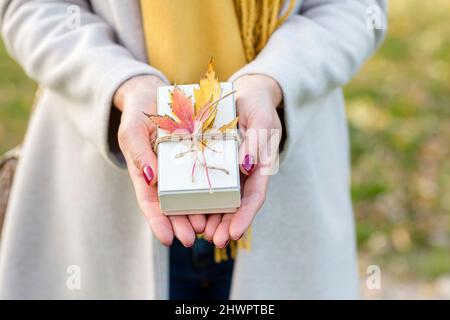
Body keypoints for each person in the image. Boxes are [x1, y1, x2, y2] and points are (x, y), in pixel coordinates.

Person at [0, 0, 387, 299]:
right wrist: (122, 83)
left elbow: (357, 9)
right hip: (104, 195)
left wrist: (273, 79)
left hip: (283, 192)